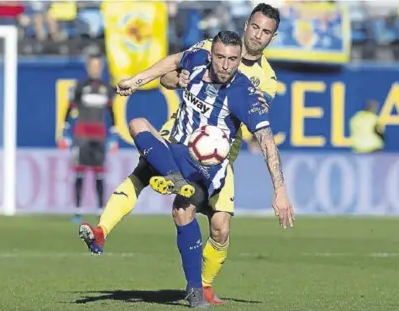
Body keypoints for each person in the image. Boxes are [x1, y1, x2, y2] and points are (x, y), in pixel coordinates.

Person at [78, 3, 284, 304]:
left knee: (220, 228)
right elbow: (171, 73)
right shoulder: (207, 50)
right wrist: (154, 80)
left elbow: (255, 121)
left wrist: (279, 188)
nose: (258, 35)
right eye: (255, 27)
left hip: (218, 155)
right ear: (246, 25)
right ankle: (103, 229)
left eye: (266, 32)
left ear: (272, 37)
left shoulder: (263, 81)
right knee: (149, 177)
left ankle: (205, 284)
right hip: (179, 134)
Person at [59, 54, 116, 223]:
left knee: (99, 173)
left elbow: (112, 113)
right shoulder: (80, 86)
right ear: (88, 67)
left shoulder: (107, 88)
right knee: (80, 171)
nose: (95, 69)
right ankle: (77, 211)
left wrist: (114, 135)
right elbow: (69, 109)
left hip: (99, 135)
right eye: (92, 65)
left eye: (98, 66)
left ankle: (100, 210)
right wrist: (65, 131)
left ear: (101, 68)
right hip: (82, 134)